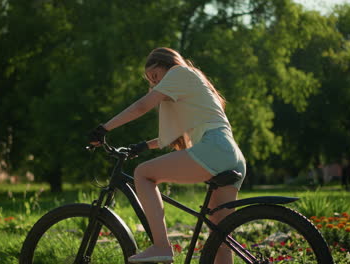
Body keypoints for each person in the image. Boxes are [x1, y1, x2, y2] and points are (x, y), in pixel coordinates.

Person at [89, 47, 246, 264]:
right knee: (219, 238)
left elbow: (142, 106)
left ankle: (161, 246)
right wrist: (143, 146)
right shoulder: (193, 80)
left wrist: (104, 128)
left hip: (214, 148)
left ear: (167, 64)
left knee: (143, 174)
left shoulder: (179, 72)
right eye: (150, 81)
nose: (153, 84)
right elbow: (177, 138)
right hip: (230, 154)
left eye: (155, 76)